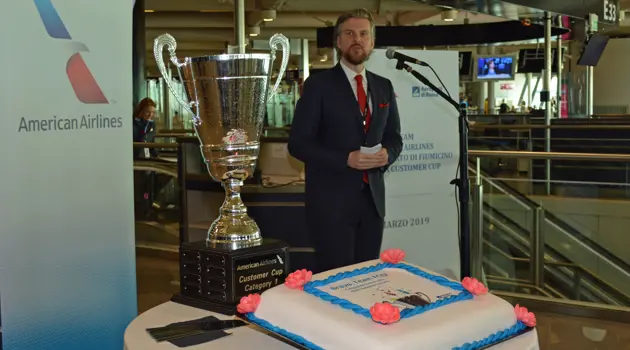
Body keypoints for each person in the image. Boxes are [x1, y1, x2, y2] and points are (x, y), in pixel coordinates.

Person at [288, 8, 403, 273]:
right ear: (338, 42)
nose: (357, 39)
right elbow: (298, 143)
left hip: (372, 202)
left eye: (364, 34)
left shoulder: (383, 86)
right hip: (331, 204)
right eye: (349, 33)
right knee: (336, 278)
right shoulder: (318, 85)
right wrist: (345, 159)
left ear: (372, 43)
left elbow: (394, 136)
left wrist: (388, 153)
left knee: (367, 276)